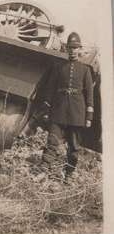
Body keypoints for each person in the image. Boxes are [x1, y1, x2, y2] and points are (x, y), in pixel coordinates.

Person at [42, 32, 94, 182]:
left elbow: (89, 95)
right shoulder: (59, 67)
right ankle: (43, 172)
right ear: (67, 49)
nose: (72, 50)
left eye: (75, 48)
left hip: (77, 114)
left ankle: (69, 175)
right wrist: (46, 110)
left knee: (74, 148)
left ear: (80, 49)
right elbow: (50, 90)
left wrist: (89, 117)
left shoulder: (85, 70)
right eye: (70, 48)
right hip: (58, 111)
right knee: (51, 142)